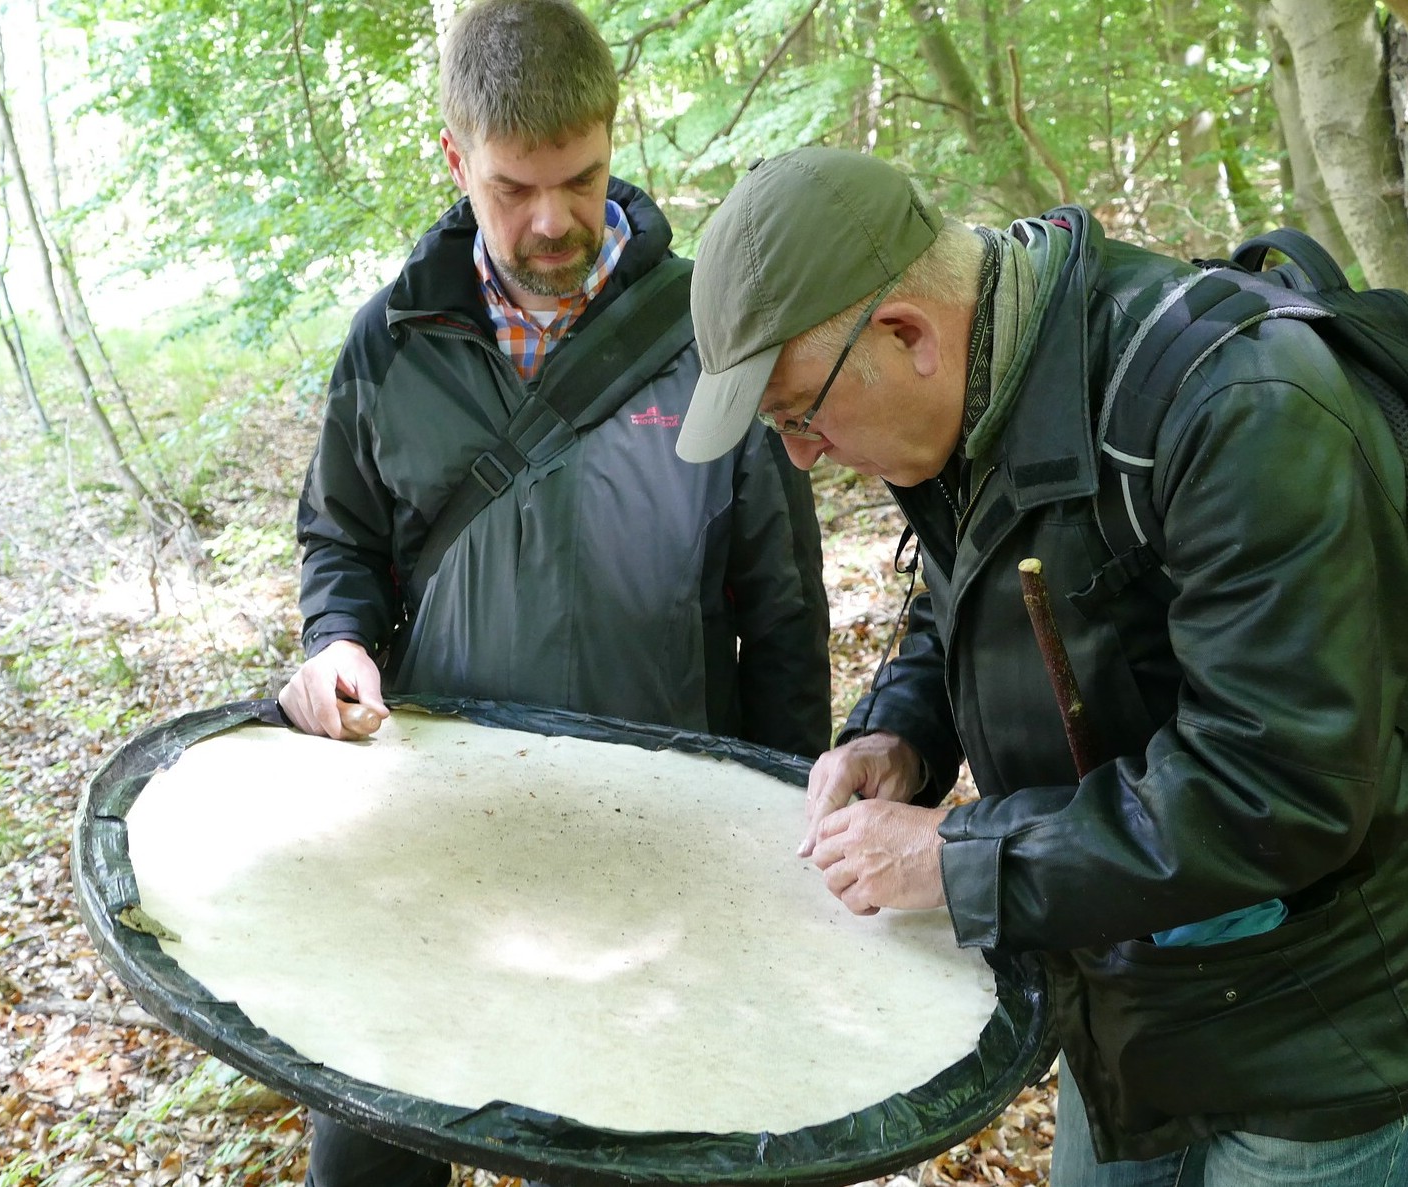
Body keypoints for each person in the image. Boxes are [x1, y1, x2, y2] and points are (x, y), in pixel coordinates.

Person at [676, 146, 1408, 1185]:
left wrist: (956, 858)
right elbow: (962, 596)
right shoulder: (972, 391)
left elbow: (1280, 785)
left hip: (1306, 1043)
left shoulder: (1235, 407)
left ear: (904, 334)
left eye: (797, 414)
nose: (799, 456)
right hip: (1117, 999)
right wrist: (898, 734)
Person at [278, 6, 832, 1186]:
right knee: (372, 1148)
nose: (550, 220)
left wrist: (791, 818)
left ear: (611, 137)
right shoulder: (389, 342)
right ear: (454, 160)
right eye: (512, 187)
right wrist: (335, 641)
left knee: (627, 1150)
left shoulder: (707, 335)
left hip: (666, 849)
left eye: (579, 180)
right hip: (441, 843)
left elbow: (779, 606)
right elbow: (341, 540)